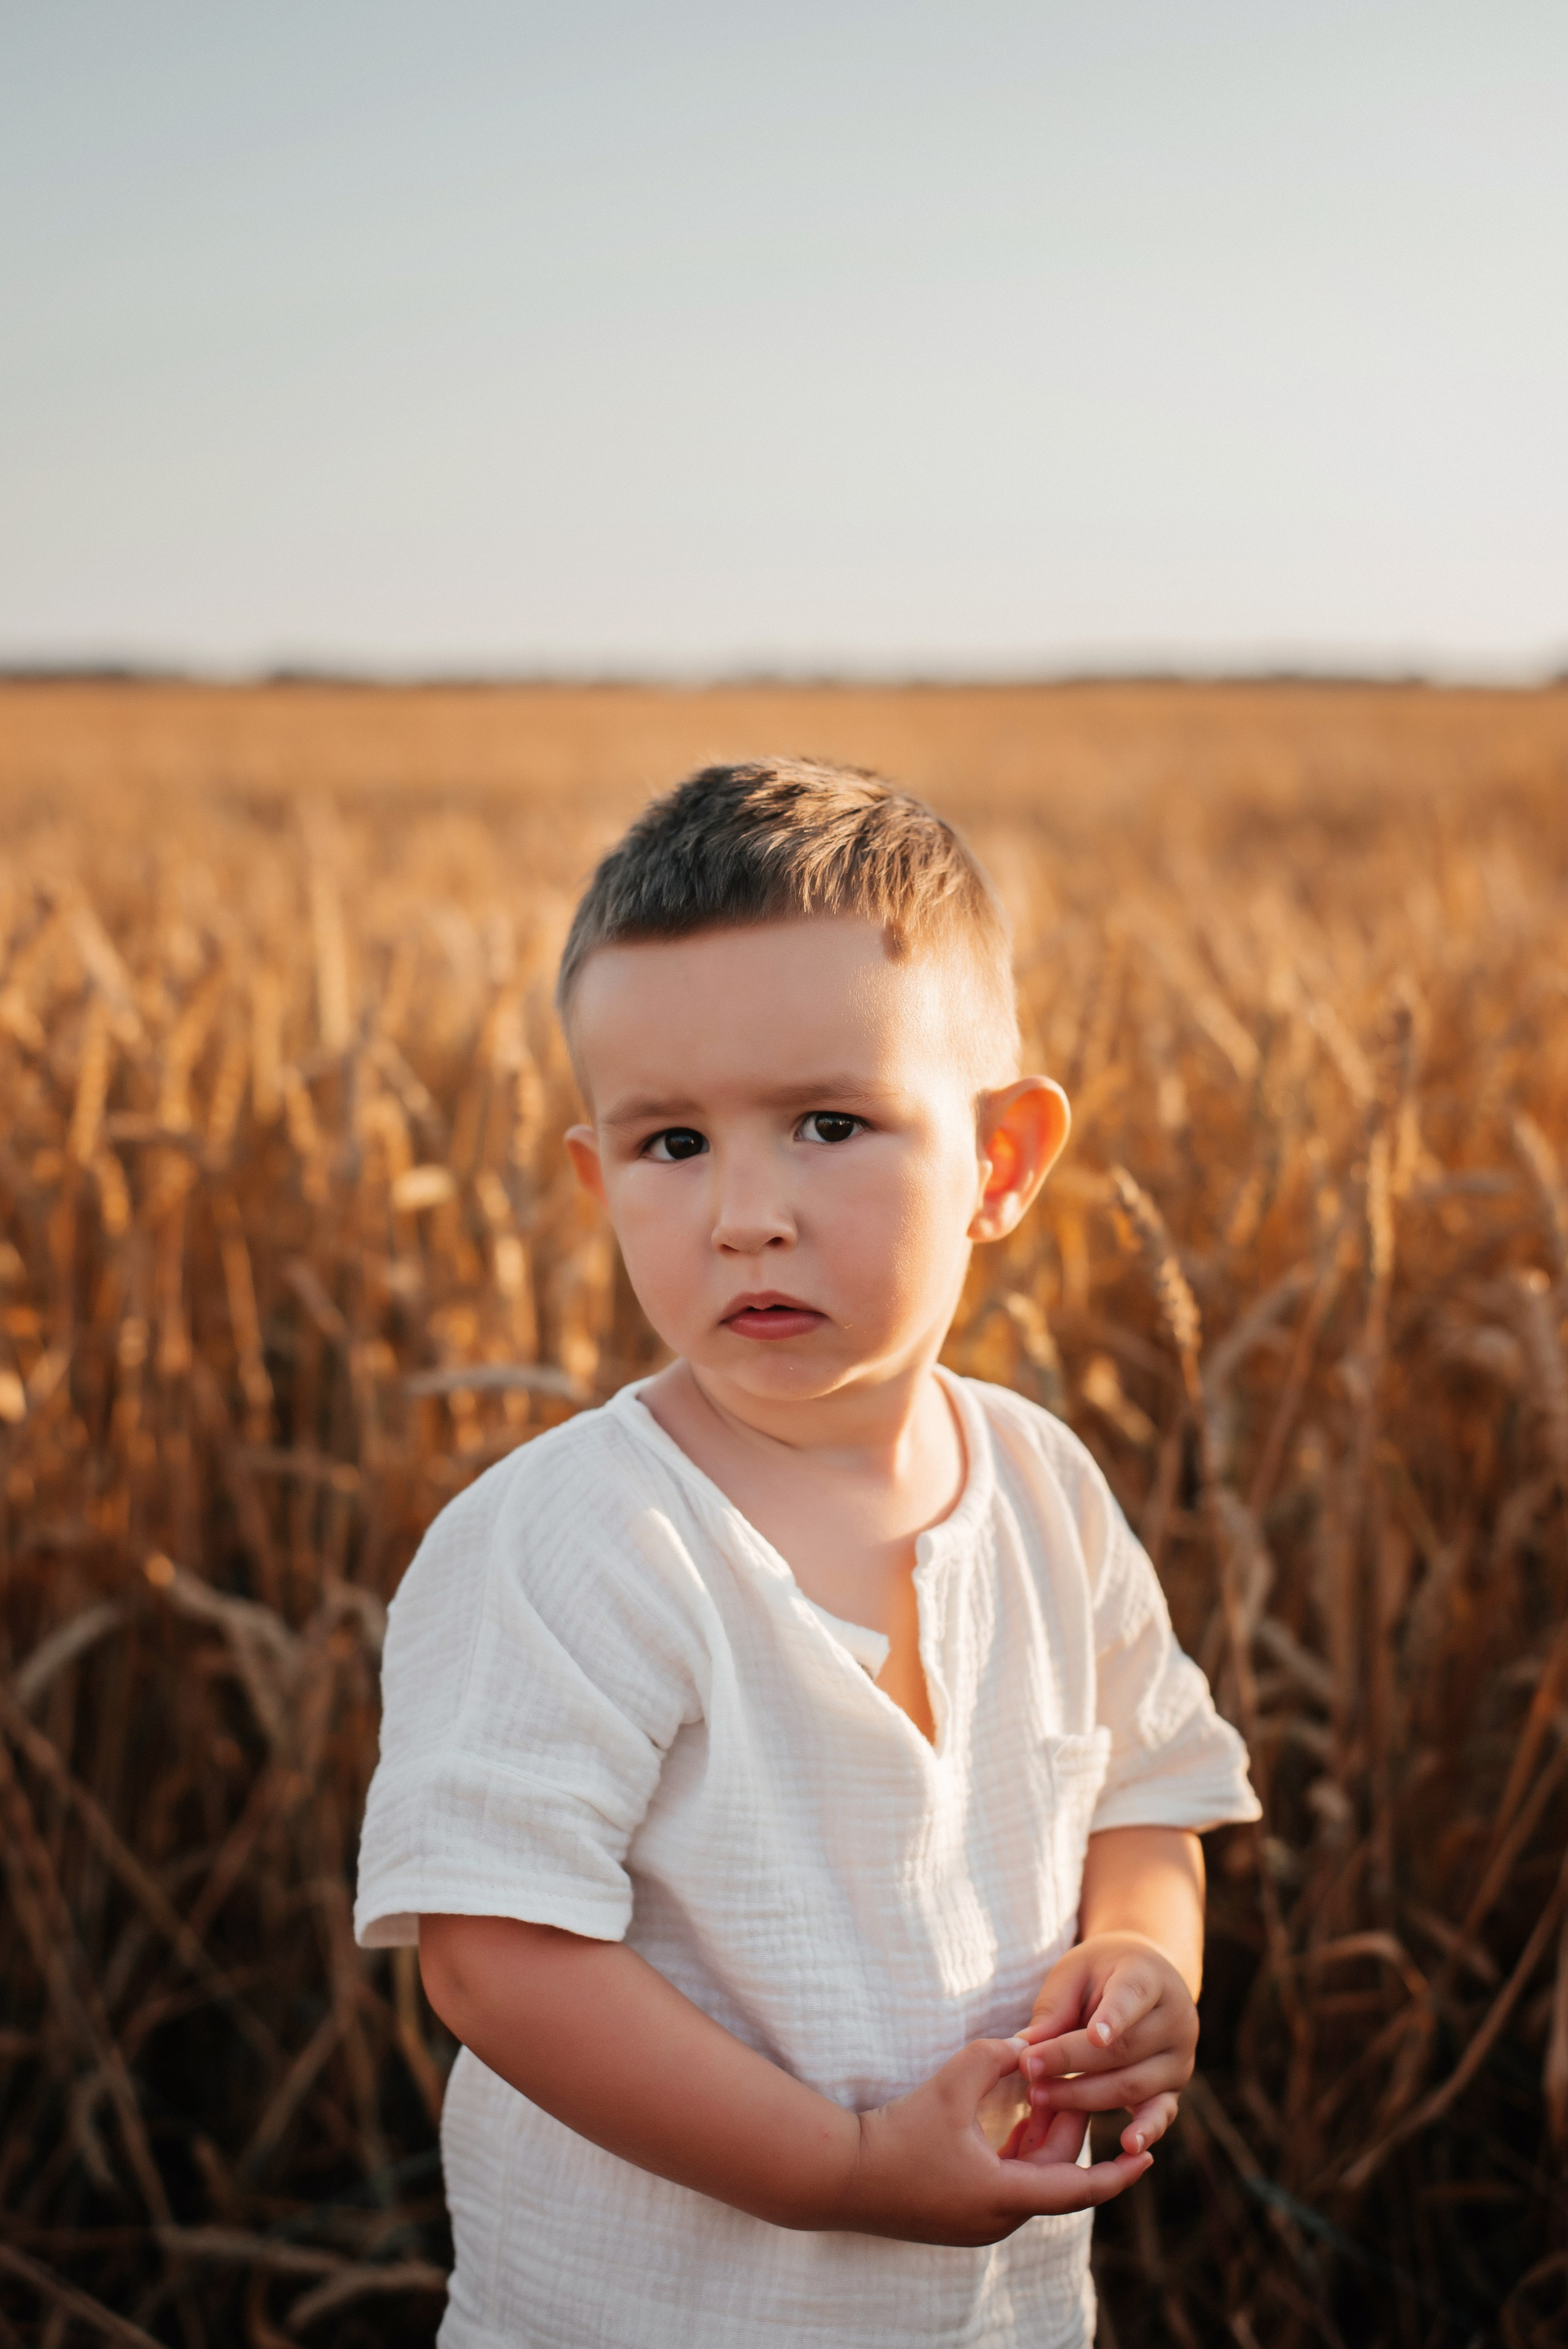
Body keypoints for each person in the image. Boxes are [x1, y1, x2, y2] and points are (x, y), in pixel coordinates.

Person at [354, 761, 1260, 2348]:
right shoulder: (569, 1540)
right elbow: (497, 1959)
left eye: (829, 1123)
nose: (745, 1213)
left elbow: (1148, 1793)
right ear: (597, 1179)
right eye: (672, 1144)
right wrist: (839, 2166)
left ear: (999, 1160)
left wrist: (1139, 1954)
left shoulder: (1044, 1490)